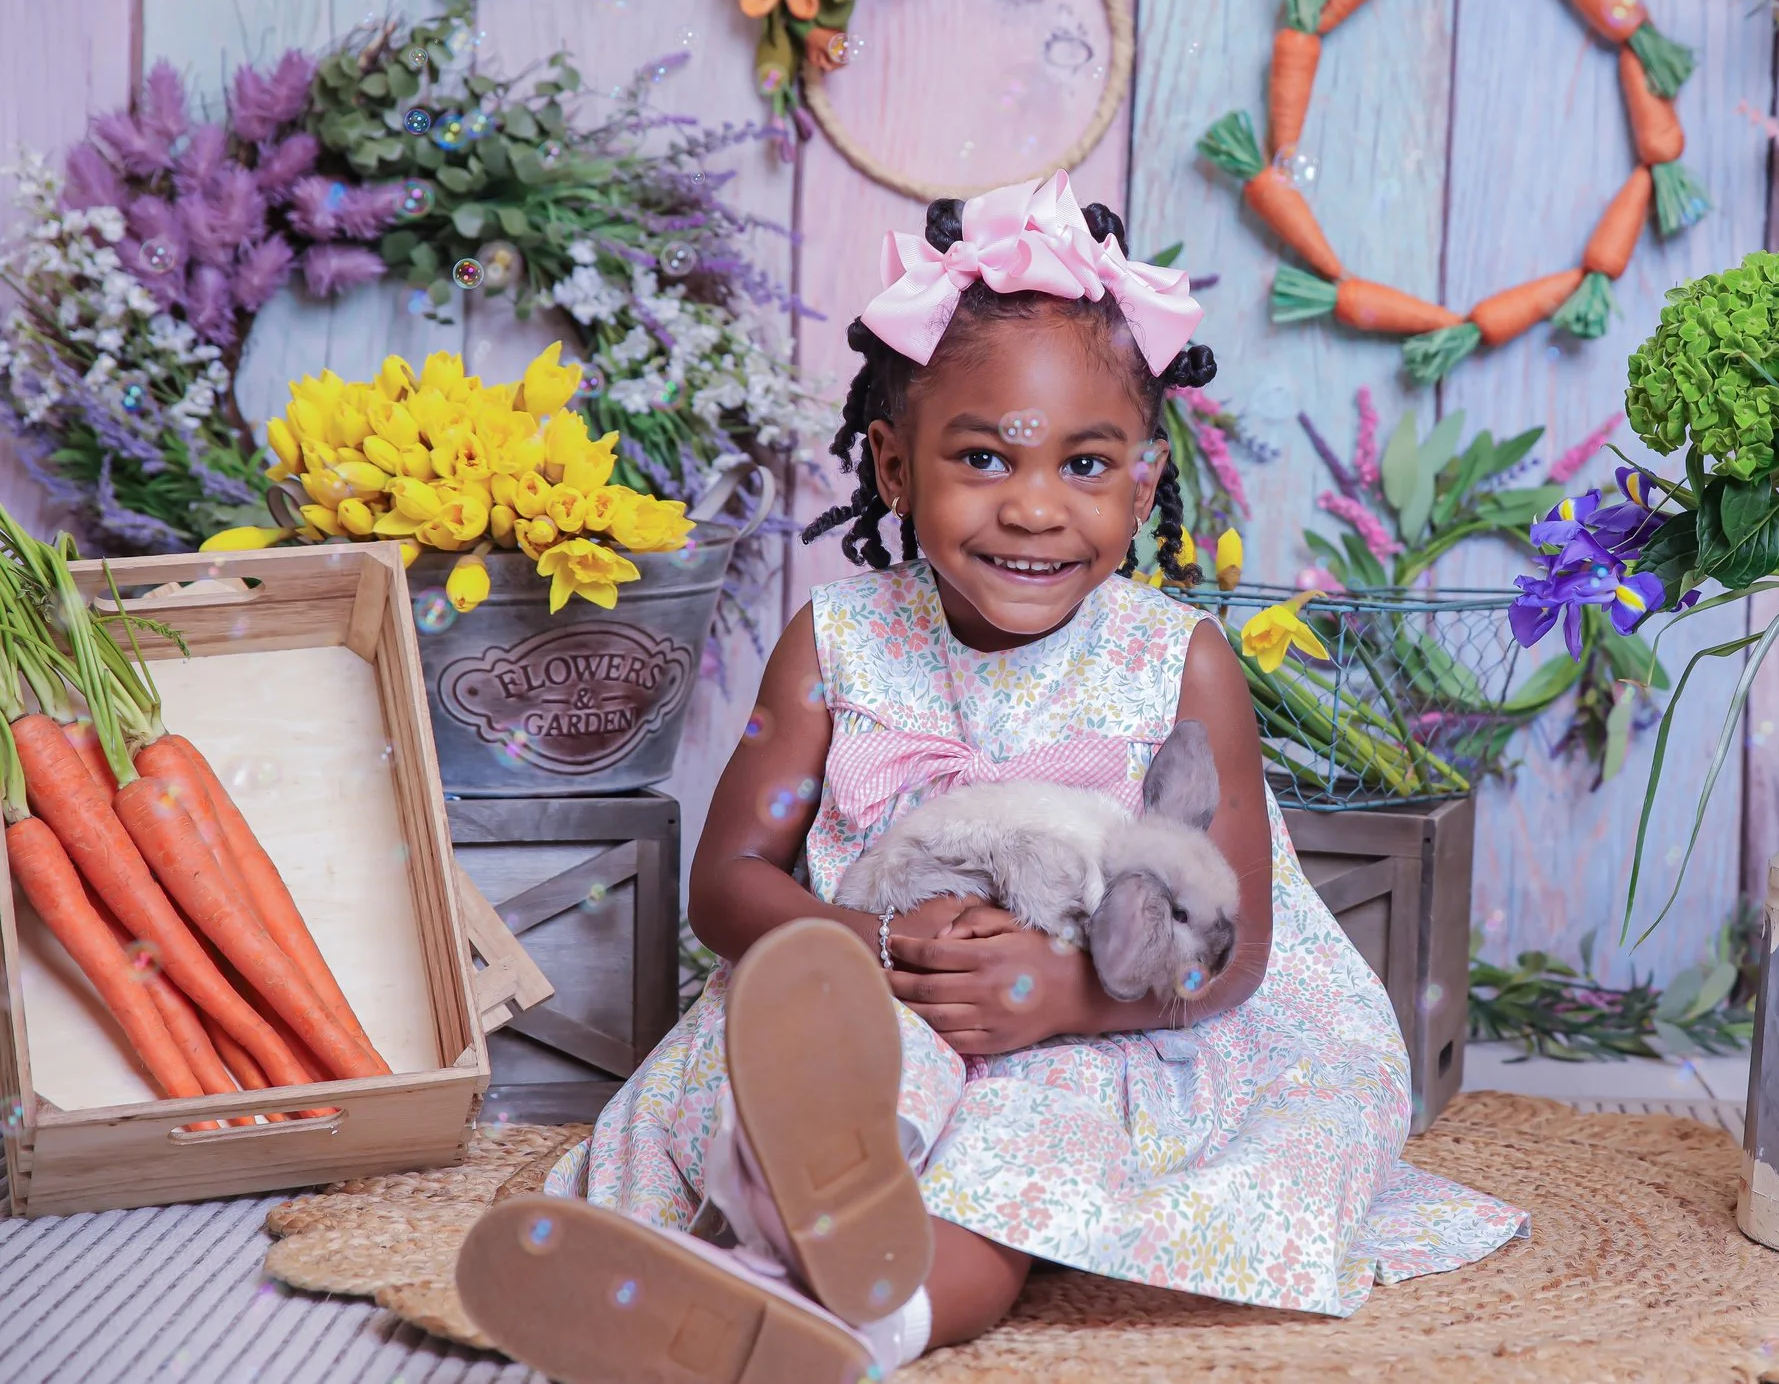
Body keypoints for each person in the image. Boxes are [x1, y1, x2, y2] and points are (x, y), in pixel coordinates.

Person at [457, 173, 1526, 1380]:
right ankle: (768, 1238)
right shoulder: (840, 640)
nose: (1032, 507)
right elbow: (729, 881)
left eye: (1084, 463)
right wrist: (863, 952)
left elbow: (1233, 942)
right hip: (874, 988)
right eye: (981, 455)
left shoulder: (1178, 662)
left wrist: (1065, 997)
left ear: (1145, 477)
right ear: (894, 465)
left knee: (1025, 1140)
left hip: (1104, 1019)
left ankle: (865, 1325)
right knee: (824, 1085)